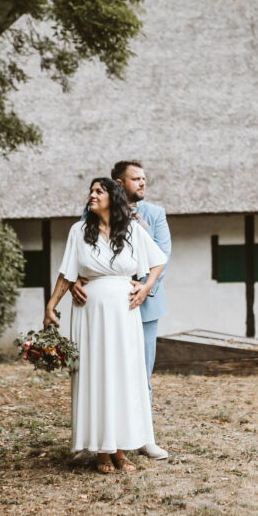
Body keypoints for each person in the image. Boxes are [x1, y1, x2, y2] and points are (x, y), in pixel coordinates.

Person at [44, 178, 166, 473]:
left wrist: (145, 286)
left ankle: (121, 451)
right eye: (91, 190)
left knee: (123, 376)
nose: (92, 195)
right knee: (96, 375)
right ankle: (101, 451)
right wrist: (51, 305)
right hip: (90, 315)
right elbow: (67, 272)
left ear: (113, 197)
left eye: (99, 191)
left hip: (124, 315)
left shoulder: (132, 231)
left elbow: (158, 260)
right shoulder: (78, 231)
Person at [71, 160, 171, 460]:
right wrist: (77, 280)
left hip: (143, 302)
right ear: (119, 182)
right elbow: (83, 253)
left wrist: (143, 288)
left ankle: (143, 438)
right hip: (101, 307)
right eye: (136, 179)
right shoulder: (92, 212)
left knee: (139, 372)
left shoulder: (155, 214)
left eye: (144, 179)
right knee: (100, 370)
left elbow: (162, 255)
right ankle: (98, 438)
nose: (142, 183)